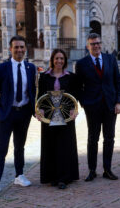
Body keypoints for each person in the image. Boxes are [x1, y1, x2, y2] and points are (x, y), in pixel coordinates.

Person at [0, 35, 36, 197]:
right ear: (11, 49)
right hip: (6, 115)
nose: (20, 50)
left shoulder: (31, 68)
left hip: (24, 114)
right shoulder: (2, 68)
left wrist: (33, 110)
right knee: (1, 149)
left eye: (22, 47)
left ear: (25, 49)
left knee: (19, 146)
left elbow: (33, 91)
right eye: (16, 47)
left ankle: (19, 175)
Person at [75, 33, 120, 181]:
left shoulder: (110, 59)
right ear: (88, 46)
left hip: (110, 105)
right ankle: (92, 170)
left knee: (109, 138)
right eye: (93, 44)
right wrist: (84, 103)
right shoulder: (81, 63)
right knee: (92, 138)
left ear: (101, 44)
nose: (96, 46)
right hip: (92, 107)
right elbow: (78, 87)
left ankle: (107, 169)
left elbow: (118, 82)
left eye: (98, 43)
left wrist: (119, 102)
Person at [36, 49, 79, 189]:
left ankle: (64, 178)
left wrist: (74, 109)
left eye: (62, 58)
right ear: (52, 60)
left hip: (66, 117)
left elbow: (75, 95)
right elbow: (39, 96)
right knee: (50, 145)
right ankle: (51, 177)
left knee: (65, 146)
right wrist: (39, 110)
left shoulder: (71, 77)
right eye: (56, 58)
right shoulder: (44, 77)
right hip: (49, 117)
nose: (59, 61)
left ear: (65, 61)